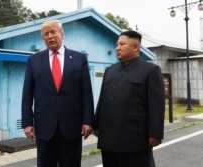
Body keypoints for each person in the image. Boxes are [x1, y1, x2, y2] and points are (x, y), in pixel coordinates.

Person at [21, 20, 94, 167]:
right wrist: (27, 123)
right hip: (44, 126)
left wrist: (88, 120)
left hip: (72, 125)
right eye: (46, 34)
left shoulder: (79, 59)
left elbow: (86, 92)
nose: (50, 36)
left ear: (62, 34)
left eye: (53, 32)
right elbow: (27, 94)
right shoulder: (34, 60)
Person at [94, 30, 165, 167]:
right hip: (108, 137)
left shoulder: (150, 70)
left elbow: (156, 105)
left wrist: (155, 133)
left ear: (135, 47)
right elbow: (102, 99)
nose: (117, 48)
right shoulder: (110, 70)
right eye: (116, 45)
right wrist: (97, 124)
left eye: (122, 44)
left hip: (134, 138)